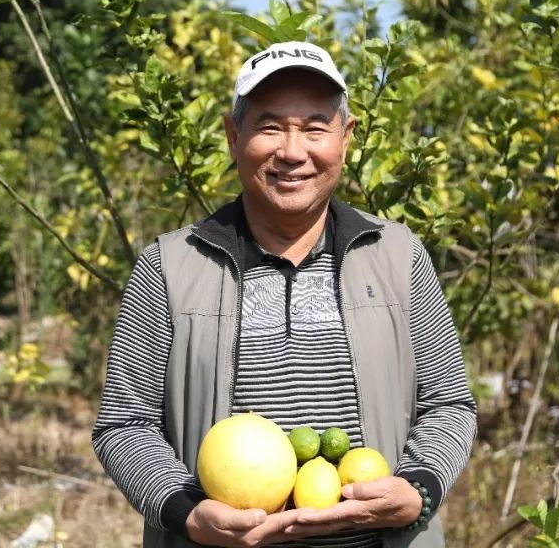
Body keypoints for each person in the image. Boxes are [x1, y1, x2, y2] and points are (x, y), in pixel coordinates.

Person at [92, 41, 477, 548]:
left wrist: (419, 490)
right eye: (270, 126)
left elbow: (449, 405)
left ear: (346, 137)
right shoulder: (168, 267)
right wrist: (184, 510)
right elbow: (124, 423)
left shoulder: (399, 256)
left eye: (316, 127)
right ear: (234, 137)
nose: (293, 152)